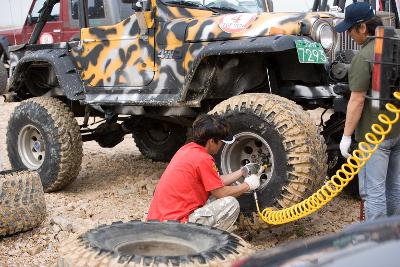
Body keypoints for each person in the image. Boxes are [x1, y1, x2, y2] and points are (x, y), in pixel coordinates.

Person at [336, 2, 400, 221]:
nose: (350, 35)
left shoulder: (363, 57)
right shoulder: (395, 43)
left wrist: (346, 137)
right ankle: (393, 238)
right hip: (396, 129)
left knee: (374, 192)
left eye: (350, 30)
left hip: (374, 136)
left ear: (362, 27)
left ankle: (374, 242)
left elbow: (357, 100)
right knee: (395, 187)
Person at [146, 114, 263, 231]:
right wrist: (248, 185)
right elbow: (221, 192)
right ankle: (204, 241)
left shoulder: (187, 150)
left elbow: (215, 181)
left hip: (157, 222)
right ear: (211, 141)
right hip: (174, 227)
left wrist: (242, 172)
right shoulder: (203, 159)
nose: (221, 145)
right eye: (221, 142)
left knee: (216, 194)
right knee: (230, 204)